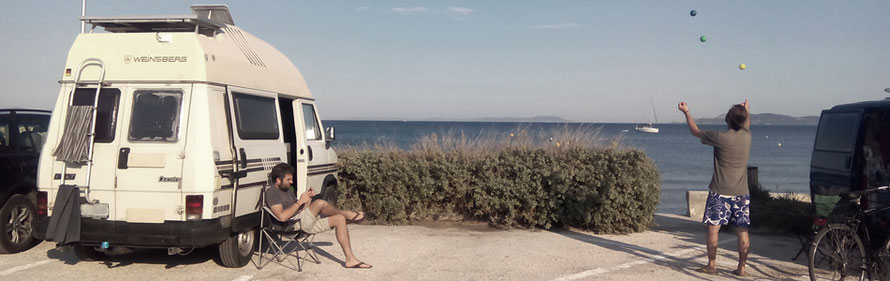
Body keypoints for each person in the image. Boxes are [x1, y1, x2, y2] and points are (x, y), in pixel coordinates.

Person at [678, 99, 751, 277]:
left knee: (713, 229)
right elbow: (746, 122)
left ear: (728, 120)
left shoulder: (720, 138)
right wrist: (746, 109)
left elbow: (695, 131)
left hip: (720, 192)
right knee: (742, 230)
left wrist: (686, 112)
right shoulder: (747, 136)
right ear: (743, 121)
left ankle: (712, 265)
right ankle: (741, 268)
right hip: (741, 193)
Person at [266, 163, 372, 269]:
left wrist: (308, 200)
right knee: (320, 203)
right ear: (278, 180)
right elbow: (282, 217)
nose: (291, 182)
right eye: (288, 180)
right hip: (291, 225)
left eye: (291, 179)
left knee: (339, 219)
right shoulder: (272, 193)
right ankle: (348, 214)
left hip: (302, 221)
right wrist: (300, 202)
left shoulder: (288, 190)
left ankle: (350, 260)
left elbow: (300, 210)